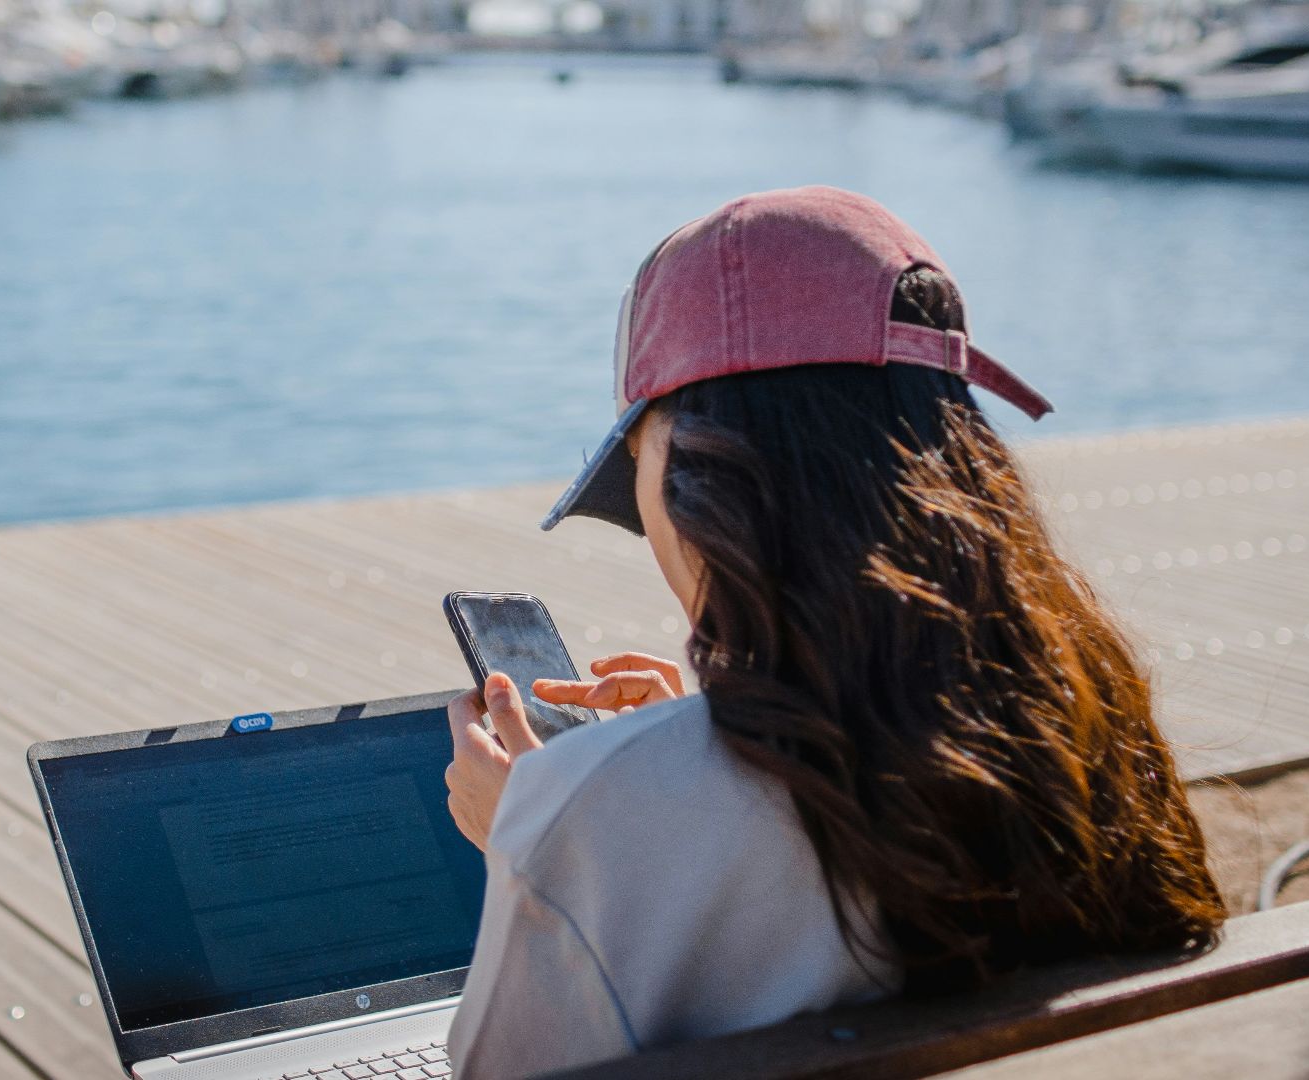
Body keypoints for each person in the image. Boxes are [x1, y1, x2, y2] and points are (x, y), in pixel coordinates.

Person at [441, 187, 1224, 1078]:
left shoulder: (585, 817)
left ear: (703, 477)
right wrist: (680, 762)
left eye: (640, 460)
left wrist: (547, 843)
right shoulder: (1089, 732)